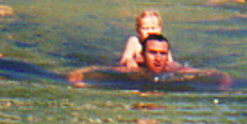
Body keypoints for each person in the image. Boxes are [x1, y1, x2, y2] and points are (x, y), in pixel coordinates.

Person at [69, 34, 231, 89]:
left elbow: (209, 72)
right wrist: (78, 75)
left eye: (162, 54)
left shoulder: (174, 70)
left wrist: (223, 78)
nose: (158, 58)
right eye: (153, 53)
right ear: (142, 56)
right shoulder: (133, 69)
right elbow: (100, 69)